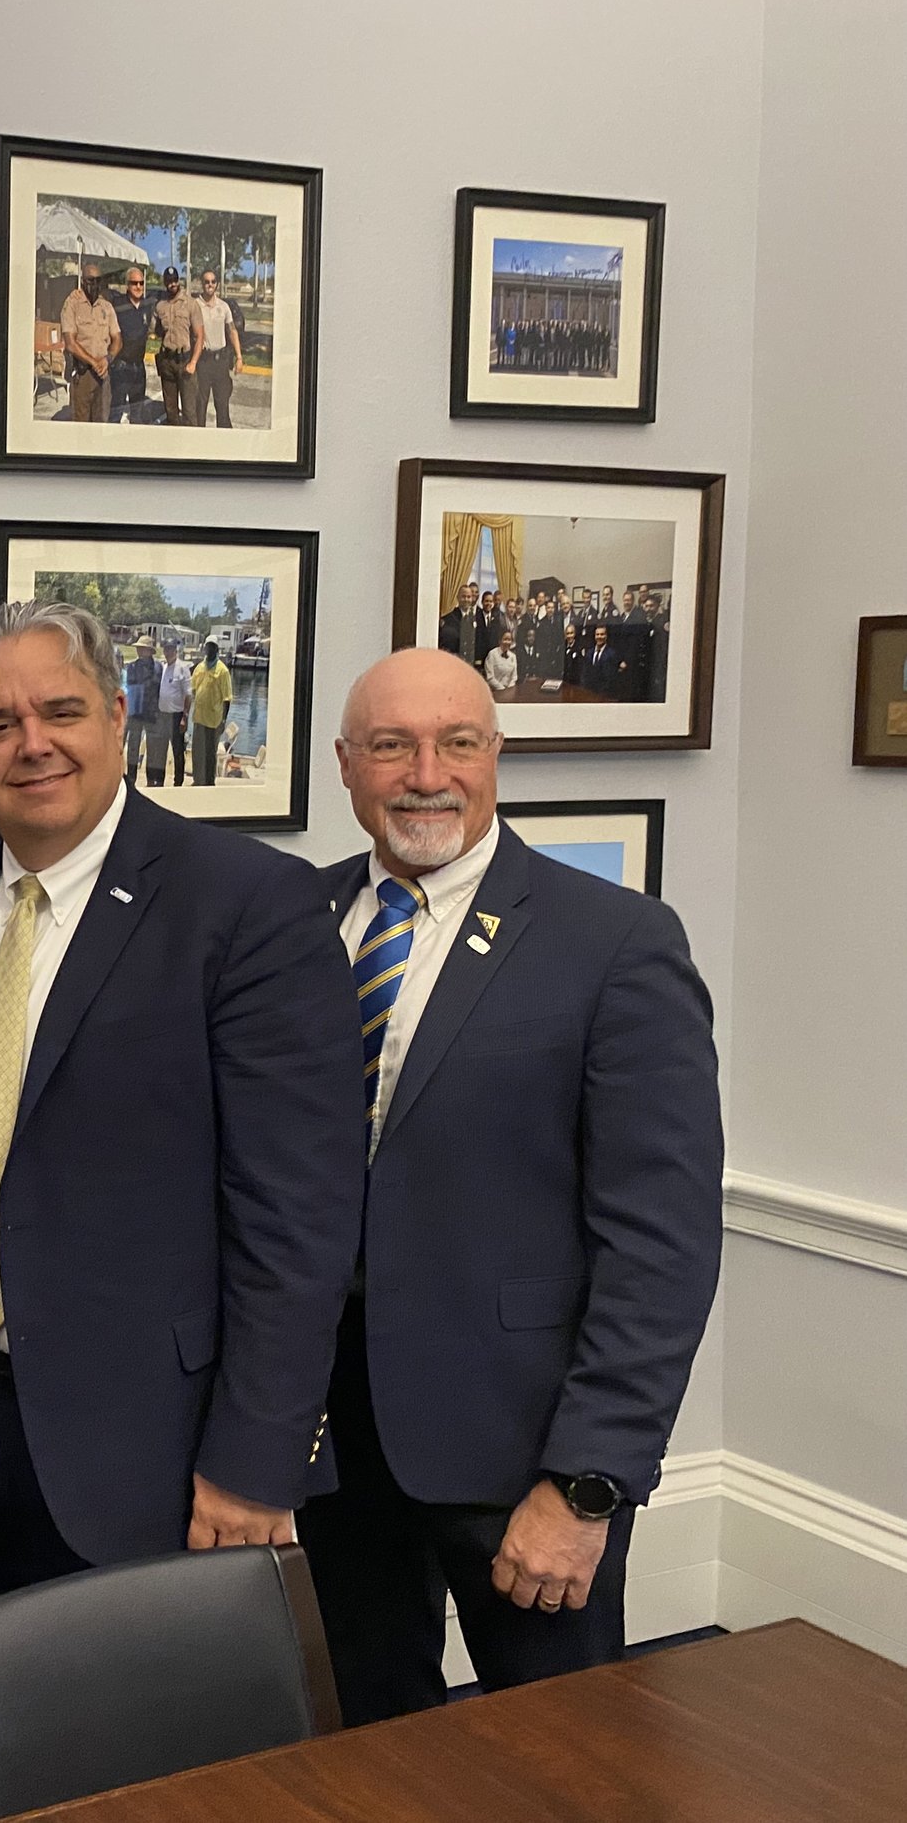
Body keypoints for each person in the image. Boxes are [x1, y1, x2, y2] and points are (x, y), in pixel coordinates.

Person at [0, 600, 364, 1619]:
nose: (31, 744)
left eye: (60, 711)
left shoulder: (246, 905)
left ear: (120, 717)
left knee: (147, 1765)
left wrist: (257, 1457)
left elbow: (298, 1216)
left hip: (154, 1442)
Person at [302, 648, 721, 1724]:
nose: (424, 774)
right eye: (390, 746)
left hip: (521, 1456)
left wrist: (589, 1482)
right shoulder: (291, 928)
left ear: (498, 757)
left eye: (457, 743)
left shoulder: (614, 943)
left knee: (559, 1760)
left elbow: (661, 1244)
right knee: (358, 1743)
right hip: (325, 1449)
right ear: (346, 767)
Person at [59, 266, 122, 423]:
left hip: (103, 374)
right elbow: (70, 343)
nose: (94, 285)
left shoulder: (106, 307)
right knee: (82, 428)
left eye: (98, 281)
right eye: (90, 280)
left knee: (101, 424)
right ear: (82, 281)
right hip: (83, 375)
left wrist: (107, 359)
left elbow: (118, 339)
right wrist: (94, 362)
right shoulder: (72, 304)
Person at [187, 268, 241, 427]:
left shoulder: (223, 307)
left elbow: (232, 331)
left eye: (212, 282)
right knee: (200, 406)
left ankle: (223, 444)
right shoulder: (195, 305)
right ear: (201, 283)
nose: (209, 285)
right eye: (206, 282)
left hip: (220, 363)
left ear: (216, 284)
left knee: (222, 406)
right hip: (202, 362)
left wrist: (239, 357)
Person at [152, 267, 199, 426]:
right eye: (169, 281)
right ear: (165, 282)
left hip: (185, 361)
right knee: (170, 411)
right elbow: (156, 330)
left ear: (179, 280)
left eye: (175, 280)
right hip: (167, 361)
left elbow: (200, 336)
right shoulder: (160, 306)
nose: (172, 284)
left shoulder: (191, 304)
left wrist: (193, 362)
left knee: (189, 412)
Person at [110, 266, 155, 422]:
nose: (138, 287)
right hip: (121, 368)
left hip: (139, 368)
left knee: (137, 413)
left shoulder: (147, 305)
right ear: (127, 285)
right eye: (134, 283)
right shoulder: (117, 305)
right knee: (116, 411)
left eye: (141, 283)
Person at [191, 638, 233, 786]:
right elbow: (193, 689)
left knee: (210, 754)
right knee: (197, 752)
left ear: (217, 649)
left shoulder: (223, 671)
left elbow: (227, 699)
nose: (209, 649)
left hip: (214, 720)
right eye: (208, 646)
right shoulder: (199, 667)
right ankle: (197, 781)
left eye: (212, 647)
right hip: (198, 718)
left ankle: (209, 783)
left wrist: (223, 721)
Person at [122, 636, 160, 782]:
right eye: (138, 648)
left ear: (149, 651)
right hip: (135, 713)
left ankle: (152, 779)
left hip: (151, 713)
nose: (138, 650)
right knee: (133, 747)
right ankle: (131, 779)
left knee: (151, 748)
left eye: (142, 648)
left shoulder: (158, 667)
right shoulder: (131, 667)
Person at [157, 639, 193, 784]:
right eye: (166, 649)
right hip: (162, 715)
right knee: (162, 750)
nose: (168, 652)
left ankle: (178, 781)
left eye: (171, 649)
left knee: (178, 751)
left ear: (176, 651)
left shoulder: (183, 668)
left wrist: (185, 717)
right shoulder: (164, 667)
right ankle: (160, 780)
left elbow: (189, 695)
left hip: (177, 716)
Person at [438, 580, 485, 668]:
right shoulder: (448, 619)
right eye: (463, 596)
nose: (466, 599)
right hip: (453, 663)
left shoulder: (477, 618)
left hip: (470, 664)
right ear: (458, 598)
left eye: (469, 597)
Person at [586, 624, 624, 698]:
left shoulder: (612, 654)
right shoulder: (589, 653)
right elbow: (586, 674)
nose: (599, 637)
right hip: (590, 693)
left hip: (605, 695)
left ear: (606, 636)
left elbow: (611, 679)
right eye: (597, 634)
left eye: (602, 634)